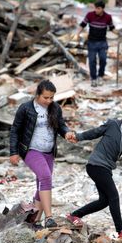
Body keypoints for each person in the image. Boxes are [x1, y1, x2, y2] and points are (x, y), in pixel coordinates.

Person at [66, 101, 122, 238]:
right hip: (95, 165)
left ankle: (74, 215)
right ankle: (121, 231)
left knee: (104, 200)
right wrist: (78, 137)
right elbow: (95, 132)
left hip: (106, 168)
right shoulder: (113, 125)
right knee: (114, 196)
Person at [10, 80, 73, 228]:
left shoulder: (55, 108)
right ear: (38, 94)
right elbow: (15, 130)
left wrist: (67, 133)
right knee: (45, 177)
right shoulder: (26, 108)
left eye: (51, 98)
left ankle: (35, 219)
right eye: (46, 97)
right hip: (31, 149)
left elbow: (61, 125)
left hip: (49, 151)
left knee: (41, 182)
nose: (49, 101)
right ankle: (49, 218)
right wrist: (13, 152)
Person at [75, 0, 116, 87]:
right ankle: (93, 79)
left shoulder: (108, 17)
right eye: (95, 8)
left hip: (102, 42)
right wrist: (77, 34)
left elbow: (112, 28)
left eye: (98, 8)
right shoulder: (90, 15)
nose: (96, 10)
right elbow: (82, 24)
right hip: (92, 42)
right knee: (92, 61)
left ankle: (100, 76)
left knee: (103, 59)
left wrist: (119, 34)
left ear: (102, 9)